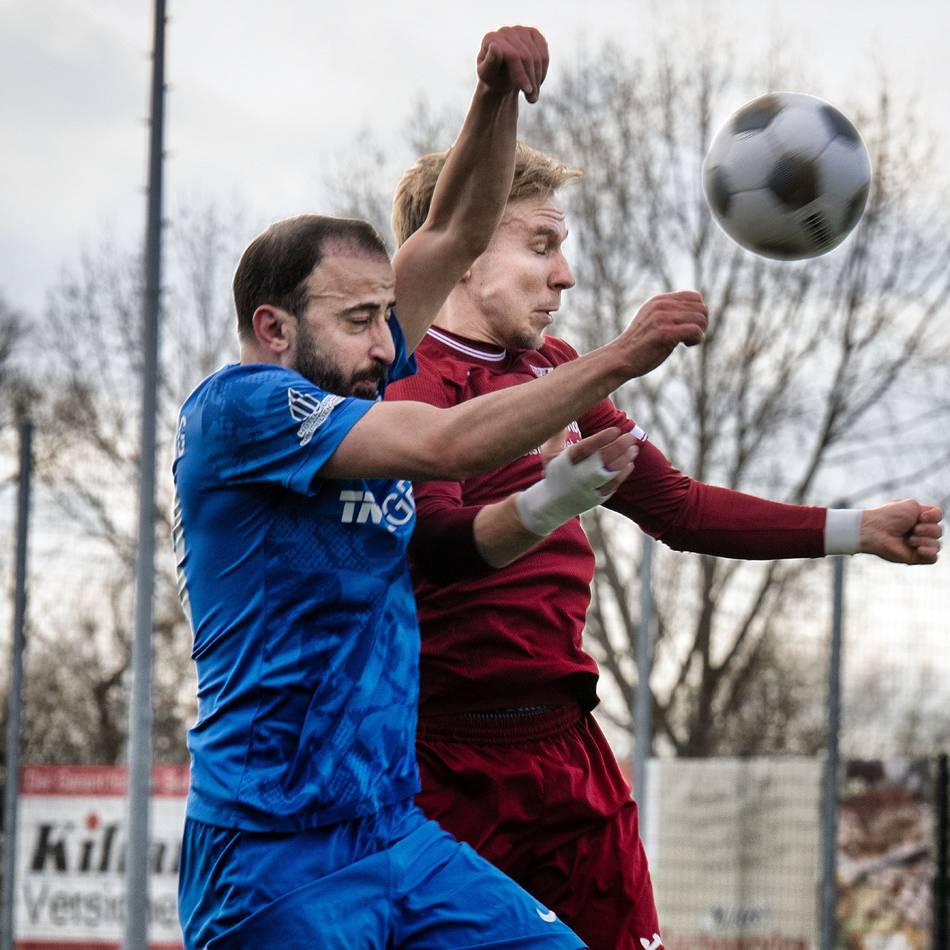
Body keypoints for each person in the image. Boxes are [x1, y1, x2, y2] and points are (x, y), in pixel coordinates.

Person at [172, 28, 711, 949]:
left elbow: (457, 231)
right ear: (274, 328)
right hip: (271, 854)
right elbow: (450, 443)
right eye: (359, 319)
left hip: (396, 836)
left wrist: (493, 93)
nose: (389, 345)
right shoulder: (241, 410)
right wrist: (620, 356)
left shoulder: (357, 370)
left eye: (390, 315)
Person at [385, 141, 944, 950]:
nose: (565, 275)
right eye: (541, 245)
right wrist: (549, 495)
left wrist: (855, 529)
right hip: (442, 763)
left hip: (569, 753)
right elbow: (436, 546)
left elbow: (679, 508)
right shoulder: (407, 382)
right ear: (464, 251)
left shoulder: (554, 369)